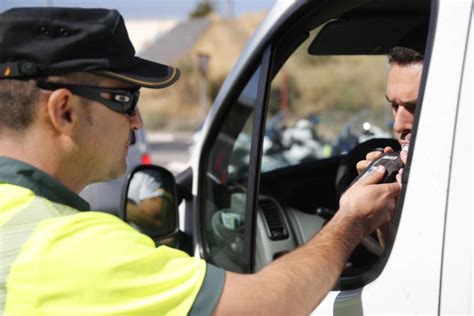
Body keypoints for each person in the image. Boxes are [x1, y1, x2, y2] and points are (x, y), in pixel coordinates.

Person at [0, 7, 400, 315]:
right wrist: (352, 221)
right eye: (125, 101)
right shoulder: (65, 248)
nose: (137, 121)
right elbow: (266, 307)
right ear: (64, 110)